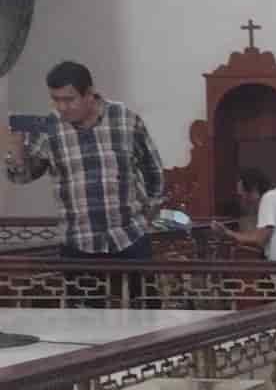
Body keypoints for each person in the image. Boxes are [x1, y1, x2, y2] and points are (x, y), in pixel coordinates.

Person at [5, 61, 164, 306]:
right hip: (79, 242)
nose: (62, 107)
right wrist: (16, 152)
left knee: (145, 313)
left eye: (69, 99)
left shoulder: (124, 119)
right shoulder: (50, 128)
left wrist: (151, 210)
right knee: (84, 321)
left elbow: (153, 169)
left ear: (90, 94)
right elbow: (22, 176)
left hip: (129, 236)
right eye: (55, 99)